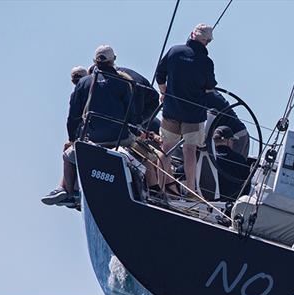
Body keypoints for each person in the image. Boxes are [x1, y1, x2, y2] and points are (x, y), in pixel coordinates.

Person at [42, 45, 134, 207]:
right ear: (113, 61)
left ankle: (69, 193)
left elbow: (73, 116)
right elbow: (132, 115)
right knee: (145, 155)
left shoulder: (83, 83)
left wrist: (72, 138)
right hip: (121, 139)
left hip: (94, 140)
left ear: (94, 62)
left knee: (67, 156)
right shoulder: (123, 83)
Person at [155, 23, 217, 196]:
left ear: (192, 35)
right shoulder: (206, 62)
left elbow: (160, 74)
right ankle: (191, 189)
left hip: (171, 110)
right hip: (194, 114)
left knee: (165, 148)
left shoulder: (175, 51)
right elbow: (210, 87)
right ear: (207, 42)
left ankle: (160, 188)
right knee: (190, 150)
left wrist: (163, 92)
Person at [203, 91, 249, 158]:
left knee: (226, 166)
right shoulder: (211, 91)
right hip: (239, 134)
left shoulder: (200, 96)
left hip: (234, 137)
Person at [211, 126, 250, 202]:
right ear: (229, 141)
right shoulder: (239, 159)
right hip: (230, 204)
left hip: (207, 200)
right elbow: (247, 186)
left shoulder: (208, 157)